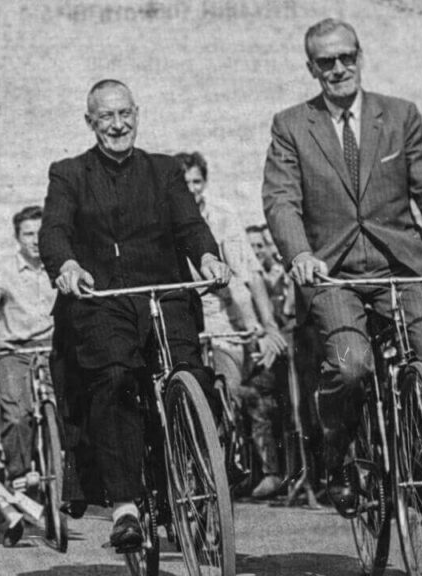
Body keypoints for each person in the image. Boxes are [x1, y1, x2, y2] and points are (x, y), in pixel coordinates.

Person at [261, 18, 422, 517]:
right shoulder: (292, 124)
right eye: (326, 62)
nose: (339, 69)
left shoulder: (400, 115)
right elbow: (280, 200)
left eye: (346, 57)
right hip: (332, 273)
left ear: (360, 55)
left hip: (400, 265)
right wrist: (299, 255)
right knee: (350, 365)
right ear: (311, 68)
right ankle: (338, 458)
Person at [38, 79, 229, 549]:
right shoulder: (69, 173)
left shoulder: (164, 170)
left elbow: (189, 224)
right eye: (106, 117)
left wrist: (207, 257)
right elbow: (54, 230)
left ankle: (193, 478)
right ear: (90, 122)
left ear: (137, 114)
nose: (118, 125)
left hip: (163, 295)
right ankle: (125, 506)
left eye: (125, 114)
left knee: (193, 377)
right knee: (115, 379)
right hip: (102, 301)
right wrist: (66, 265)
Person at [175, 152, 287, 499]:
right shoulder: (161, 219)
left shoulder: (222, 215)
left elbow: (251, 276)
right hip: (183, 316)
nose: (191, 190)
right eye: (184, 184)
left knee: (229, 388)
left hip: (224, 318)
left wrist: (268, 327)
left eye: (197, 182)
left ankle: (229, 459)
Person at [0, 205, 57, 541]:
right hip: (14, 351)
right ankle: (21, 477)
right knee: (17, 414)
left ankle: (71, 482)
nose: (36, 241)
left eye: (41, 233)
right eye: (28, 234)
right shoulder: (3, 269)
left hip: (55, 348)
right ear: (17, 238)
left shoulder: (61, 263)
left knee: (77, 408)